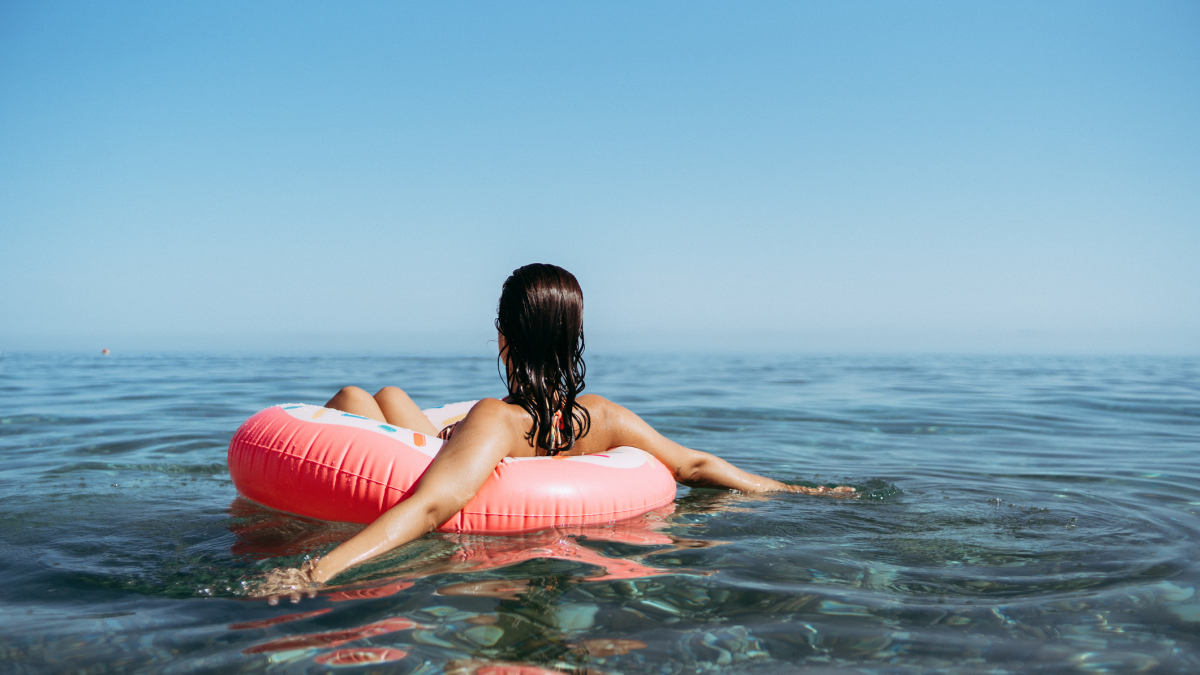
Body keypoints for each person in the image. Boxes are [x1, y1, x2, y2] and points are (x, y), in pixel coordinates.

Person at [256, 264, 853, 602]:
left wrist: (317, 570)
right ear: (574, 339)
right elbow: (695, 465)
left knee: (364, 398)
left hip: (448, 476)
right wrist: (799, 494)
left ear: (502, 337)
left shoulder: (497, 418)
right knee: (390, 397)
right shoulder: (600, 417)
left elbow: (434, 502)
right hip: (524, 483)